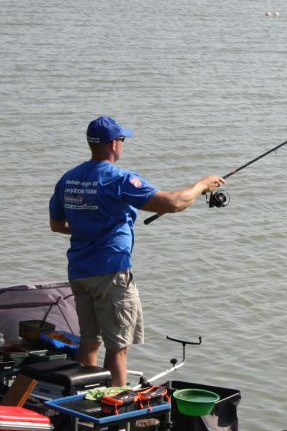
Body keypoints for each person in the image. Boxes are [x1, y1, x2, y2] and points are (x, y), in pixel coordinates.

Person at [49, 116, 225, 387]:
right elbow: (174, 203)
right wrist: (203, 184)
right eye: (122, 140)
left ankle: (84, 399)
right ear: (112, 144)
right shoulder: (119, 180)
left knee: (89, 341)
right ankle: (117, 408)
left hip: (79, 272)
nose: (123, 145)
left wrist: (90, 226)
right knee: (118, 348)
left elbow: (57, 225)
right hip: (111, 275)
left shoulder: (69, 178)